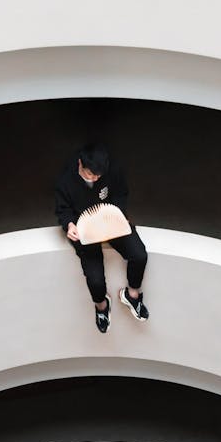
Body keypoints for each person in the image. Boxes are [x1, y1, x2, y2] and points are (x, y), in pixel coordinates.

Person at [54, 143, 149, 334]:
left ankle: (132, 295)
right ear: (80, 164)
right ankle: (102, 307)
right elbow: (62, 210)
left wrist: (119, 215)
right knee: (95, 279)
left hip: (110, 222)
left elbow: (121, 193)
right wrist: (70, 225)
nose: (95, 179)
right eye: (90, 175)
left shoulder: (111, 170)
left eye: (98, 176)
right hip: (84, 229)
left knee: (139, 255)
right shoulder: (65, 181)